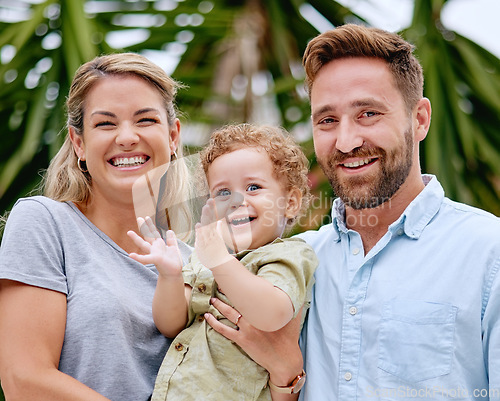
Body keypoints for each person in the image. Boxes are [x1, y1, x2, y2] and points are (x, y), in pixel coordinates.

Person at [205, 24, 500, 401]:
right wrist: (286, 375)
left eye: (368, 114)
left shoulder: (488, 253)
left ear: (420, 119)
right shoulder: (287, 264)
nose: (346, 142)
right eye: (327, 120)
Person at [0, 52, 196, 401]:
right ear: (79, 143)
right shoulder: (45, 224)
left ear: (173, 136)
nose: (126, 137)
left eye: (145, 120)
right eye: (105, 124)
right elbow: (24, 380)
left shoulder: (199, 263)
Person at [127, 123, 318, 401]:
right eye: (223, 193)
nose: (236, 201)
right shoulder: (204, 257)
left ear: (290, 203)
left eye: (254, 187)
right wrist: (170, 276)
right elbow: (170, 323)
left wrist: (218, 260)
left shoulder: (288, 255)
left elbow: (272, 314)